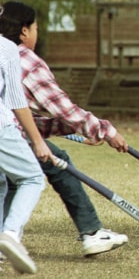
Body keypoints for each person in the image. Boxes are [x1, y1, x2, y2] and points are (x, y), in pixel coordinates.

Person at [0, 1, 129, 256]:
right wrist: (104, 130)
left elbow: (26, 117)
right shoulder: (21, 57)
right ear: (25, 31)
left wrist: (77, 129)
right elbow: (61, 108)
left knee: (10, 181)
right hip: (6, 131)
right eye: (36, 27)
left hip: (10, 130)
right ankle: (89, 233)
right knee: (38, 172)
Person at [0, 33, 54, 274]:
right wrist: (37, 141)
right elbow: (15, 100)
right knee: (32, 177)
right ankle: (10, 234)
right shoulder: (6, 48)